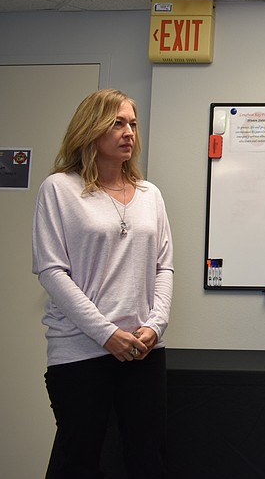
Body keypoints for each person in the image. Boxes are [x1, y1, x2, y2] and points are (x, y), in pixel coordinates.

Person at [32, 88, 174, 478]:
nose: (129, 132)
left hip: (144, 350)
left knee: (148, 460)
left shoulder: (150, 195)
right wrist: (106, 333)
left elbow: (164, 267)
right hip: (79, 352)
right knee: (77, 460)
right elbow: (51, 271)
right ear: (90, 129)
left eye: (132, 123)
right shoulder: (60, 189)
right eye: (117, 123)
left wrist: (154, 326)